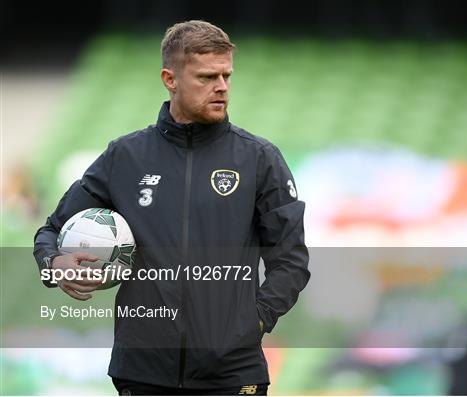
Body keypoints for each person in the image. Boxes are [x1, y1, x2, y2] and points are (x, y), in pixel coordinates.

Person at [34, 20, 310, 395]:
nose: (222, 87)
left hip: (231, 373)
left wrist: (253, 322)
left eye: (227, 76)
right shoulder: (125, 156)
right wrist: (53, 264)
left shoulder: (259, 158)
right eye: (207, 77)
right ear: (170, 78)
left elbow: (291, 259)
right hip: (142, 370)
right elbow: (51, 230)